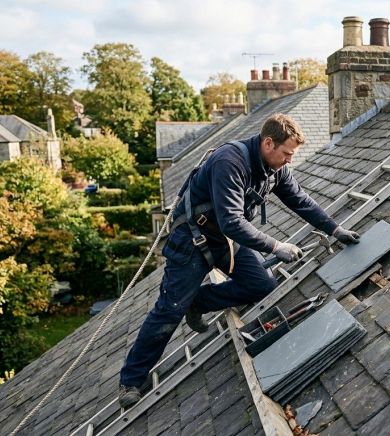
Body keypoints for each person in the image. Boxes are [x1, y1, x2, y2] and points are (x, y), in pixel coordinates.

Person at [118, 113, 360, 408]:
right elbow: (231, 219)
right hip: (192, 240)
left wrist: (334, 229)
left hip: (226, 242)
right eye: (286, 154)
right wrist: (275, 246)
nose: (289, 161)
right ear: (268, 143)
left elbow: (301, 200)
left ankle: (200, 301)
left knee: (262, 286)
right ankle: (131, 380)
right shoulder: (229, 161)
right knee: (169, 310)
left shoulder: (276, 169)